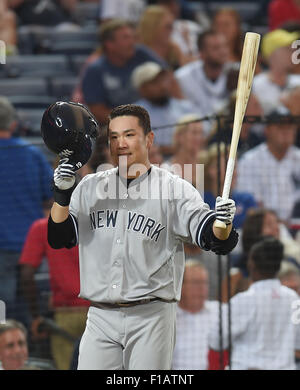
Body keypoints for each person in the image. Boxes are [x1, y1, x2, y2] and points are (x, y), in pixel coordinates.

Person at [45, 102, 238, 370]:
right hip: (100, 316)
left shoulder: (175, 189)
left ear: (149, 139)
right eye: (113, 137)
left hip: (152, 315)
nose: (120, 143)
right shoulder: (90, 187)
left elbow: (214, 238)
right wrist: (62, 195)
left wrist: (223, 223)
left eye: (129, 135)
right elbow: (60, 238)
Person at [209, 237, 300, 370]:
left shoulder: (242, 301)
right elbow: (298, 344)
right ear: (278, 266)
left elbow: (216, 341)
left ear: (251, 265)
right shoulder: (294, 299)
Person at [0, 96, 53, 324]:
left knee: (6, 319)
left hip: (4, 249)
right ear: (13, 124)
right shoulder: (33, 154)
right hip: (32, 249)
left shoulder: (33, 155)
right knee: (31, 315)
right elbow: (53, 199)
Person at [19, 206, 90, 370]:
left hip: (65, 316)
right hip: (99, 310)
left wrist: (36, 315)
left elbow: (26, 274)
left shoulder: (42, 227)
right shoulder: (98, 222)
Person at [81, 19, 167, 124]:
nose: (132, 42)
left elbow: (168, 75)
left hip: (153, 114)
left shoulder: (141, 53)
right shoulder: (95, 70)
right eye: (126, 37)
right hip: (114, 125)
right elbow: (97, 110)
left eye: (132, 37)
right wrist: (128, 122)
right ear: (110, 44)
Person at [236, 106, 300, 223]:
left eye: (290, 127)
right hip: (262, 228)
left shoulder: (298, 158)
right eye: (280, 126)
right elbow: (248, 204)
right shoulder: (249, 161)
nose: (286, 131)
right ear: (267, 130)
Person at [132, 62, 198, 156]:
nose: (162, 86)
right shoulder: (135, 115)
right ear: (142, 89)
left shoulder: (184, 107)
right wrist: (172, 149)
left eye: (162, 80)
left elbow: (203, 135)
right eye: (155, 82)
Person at [175, 30, 232, 135]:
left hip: (229, 134)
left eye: (225, 46)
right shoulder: (183, 78)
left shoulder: (235, 73)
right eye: (216, 48)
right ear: (201, 54)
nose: (223, 51)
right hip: (196, 136)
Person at [172, 260, 219, 370]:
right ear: (180, 286)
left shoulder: (219, 311)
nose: (201, 288)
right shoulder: (170, 316)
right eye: (195, 283)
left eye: (204, 283)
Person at [253, 29, 300, 115]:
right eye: (287, 49)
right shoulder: (257, 84)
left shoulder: (298, 81)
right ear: (272, 54)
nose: (293, 53)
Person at [137, 5, 188, 70]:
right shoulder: (137, 51)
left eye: (172, 27)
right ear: (152, 27)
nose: (171, 31)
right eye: (168, 27)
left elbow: (185, 71)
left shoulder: (173, 49)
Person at [164, 113, 206, 187]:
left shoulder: (206, 164)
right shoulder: (167, 169)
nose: (199, 137)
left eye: (201, 133)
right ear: (180, 136)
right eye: (194, 132)